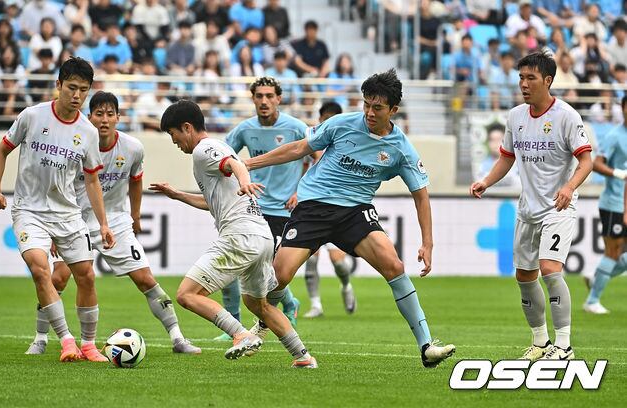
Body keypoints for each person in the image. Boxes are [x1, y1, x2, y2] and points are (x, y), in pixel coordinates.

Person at [244, 69, 456, 368]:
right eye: (366, 104)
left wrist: (427, 243)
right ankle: (264, 324)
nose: (369, 112)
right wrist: (248, 163)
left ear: (394, 110)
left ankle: (426, 346)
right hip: (314, 207)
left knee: (394, 266)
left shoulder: (401, 149)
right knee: (280, 275)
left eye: (377, 107)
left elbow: (421, 195)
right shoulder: (341, 124)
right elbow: (300, 148)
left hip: (355, 212)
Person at [27, 91, 201, 355]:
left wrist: (135, 216)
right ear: (90, 117)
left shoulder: (132, 148)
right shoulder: (75, 145)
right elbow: (58, 186)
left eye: (110, 114)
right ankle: (40, 338)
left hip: (116, 222)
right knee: (59, 278)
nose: (104, 120)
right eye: (99, 114)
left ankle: (178, 338)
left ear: (118, 117)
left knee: (145, 279)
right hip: (75, 220)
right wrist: (54, 228)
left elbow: (136, 181)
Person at [150, 99, 318, 368]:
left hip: (240, 236)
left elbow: (236, 165)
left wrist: (245, 182)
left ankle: (240, 334)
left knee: (187, 294)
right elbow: (213, 201)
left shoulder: (204, 150)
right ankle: (303, 357)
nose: (175, 142)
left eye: (173, 135)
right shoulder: (218, 147)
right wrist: (177, 195)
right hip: (260, 235)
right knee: (259, 305)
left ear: (187, 127)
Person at [0, 57, 116, 362]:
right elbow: (2, 150)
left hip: (67, 213)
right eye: (71, 87)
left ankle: (89, 346)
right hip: (29, 210)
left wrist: (103, 223)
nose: (77, 95)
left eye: (83, 90)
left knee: (86, 276)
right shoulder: (32, 116)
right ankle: (67, 341)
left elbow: (92, 180)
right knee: (39, 268)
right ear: (58, 85)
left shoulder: (88, 132)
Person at [471, 52, 593, 361]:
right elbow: (507, 158)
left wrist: (569, 187)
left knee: (550, 269)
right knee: (524, 276)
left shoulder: (567, 116)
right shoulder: (515, 117)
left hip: (558, 207)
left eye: (531, 78)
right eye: (521, 78)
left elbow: (586, 161)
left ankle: (563, 345)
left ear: (548, 81)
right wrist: (486, 181)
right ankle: (540, 342)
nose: (524, 84)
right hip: (528, 209)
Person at [215, 76, 307, 341]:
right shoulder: (245, 129)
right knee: (233, 262)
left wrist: (300, 191)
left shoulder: (296, 128)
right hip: (252, 207)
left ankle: (287, 304)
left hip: (283, 210)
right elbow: (224, 157)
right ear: (253, 99)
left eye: (269, 96)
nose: (264, 101)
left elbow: (319, 159)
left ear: (279, 98)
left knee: (268, 271)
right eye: (259, 96)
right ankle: (234, 325)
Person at [303, 101, 357, 319]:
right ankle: (316, 304)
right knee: (311, 259)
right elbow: (301, 169)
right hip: (312, 208)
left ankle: (346, 285)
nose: (328, 123)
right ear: (320, 120)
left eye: (332, 119)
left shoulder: (347, 144)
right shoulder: (312, 142)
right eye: (325, 119)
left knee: (339, 263)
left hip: (337, 210)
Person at [584, 96, 627, 314]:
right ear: (623, 109)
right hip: (614, 203)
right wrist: (619, 173)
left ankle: (598, 276)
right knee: (613, 251)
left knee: (621, 256)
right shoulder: (614, 136)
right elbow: (596, 164)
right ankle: (592, 301)